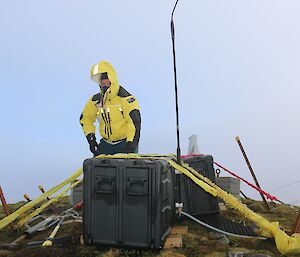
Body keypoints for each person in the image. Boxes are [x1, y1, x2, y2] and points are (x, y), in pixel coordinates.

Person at [80, 60, 141, 155]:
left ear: (112, 79)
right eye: (102, 80)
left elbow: (134, 121)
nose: (104, 82)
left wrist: (131, 144)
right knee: (97, 169)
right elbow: (85, 119)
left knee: (127, 170)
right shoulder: (95, 100)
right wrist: (91, 139)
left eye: (106, 79)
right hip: (105, 145)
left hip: (124, 144)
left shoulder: (126, 98)